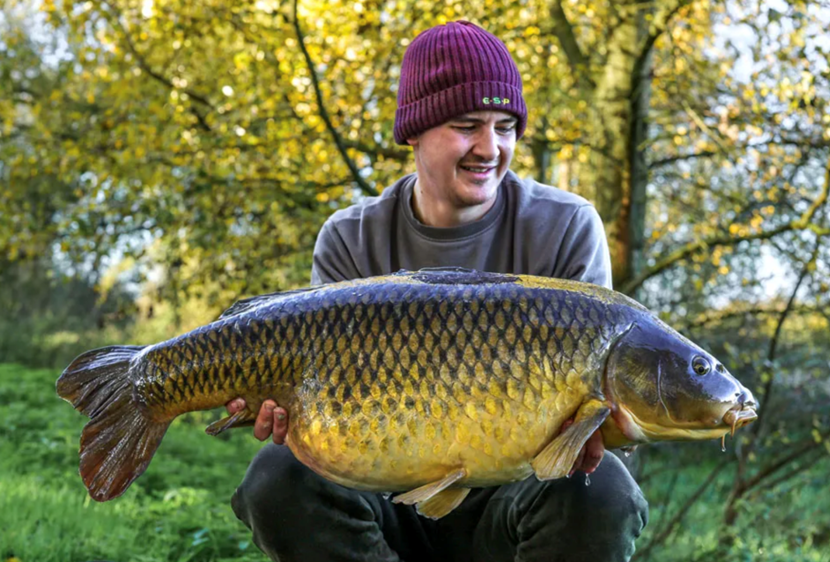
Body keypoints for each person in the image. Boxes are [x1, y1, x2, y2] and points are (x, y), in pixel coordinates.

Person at [226, 20, 648, 562]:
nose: (489, 147)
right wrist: (286, 411)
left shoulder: (566, 227)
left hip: (517, 497)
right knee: (277, 475)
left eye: (505, 126)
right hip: (381, 493)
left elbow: (597, 409)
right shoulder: (350, 238)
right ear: (415, 132)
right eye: (467, 124)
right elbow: (315, 400)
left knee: (603, 488)